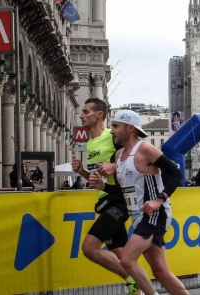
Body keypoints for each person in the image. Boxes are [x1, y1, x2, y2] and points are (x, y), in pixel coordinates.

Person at [91, 109, 188, 295]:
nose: (111, 131)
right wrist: (103, 186)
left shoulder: (145, 149)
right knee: (161, 272)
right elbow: (123, 191)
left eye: (115, 126)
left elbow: (176, 174)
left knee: (127, 260)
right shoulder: (118, 156)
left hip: (155, 215)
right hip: (139, 217)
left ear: (130, 128)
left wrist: (159, 200)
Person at [70, 98, 139, 295]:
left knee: (89, 249)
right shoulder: (91, 143)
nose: (81, 115)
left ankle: (133, 282)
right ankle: (138, 289)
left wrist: (114, 166)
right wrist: (82, 171)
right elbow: (95, 178)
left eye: (85, 112)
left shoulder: (112, 135)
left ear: (98, 114)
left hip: (120, 201)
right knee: (122, 255)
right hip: (104, 201)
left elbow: (137, 160)